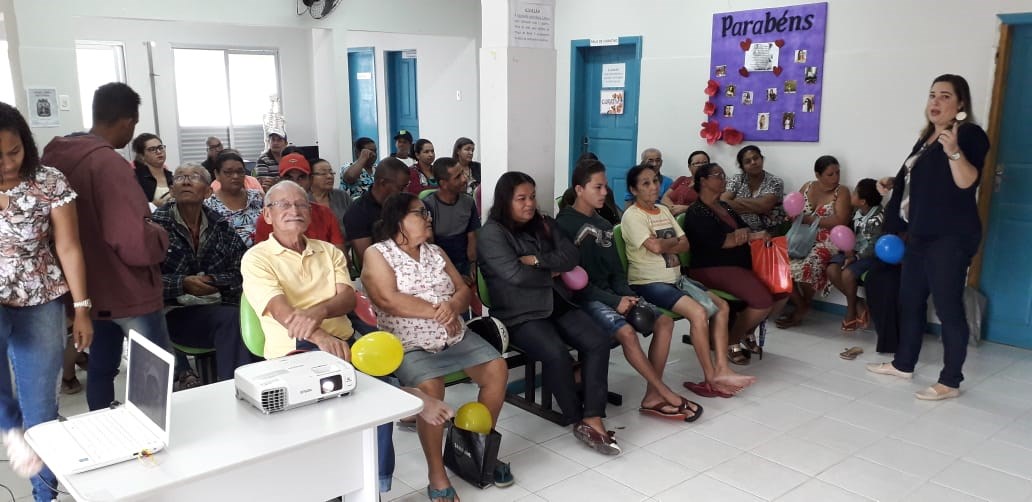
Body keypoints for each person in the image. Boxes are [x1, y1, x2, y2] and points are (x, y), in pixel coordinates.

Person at [363, 192, 512, 500]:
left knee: (497, 369)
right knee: (431, 387)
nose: (428, 218)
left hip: (453, 334)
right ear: (398, 221)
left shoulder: (436, 252)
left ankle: (474, 448)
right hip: (408, 342)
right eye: (420, 213)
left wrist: (451, 308)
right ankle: (437, 472)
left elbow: (462, 288)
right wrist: (437, 310)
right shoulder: (378, 253)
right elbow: (387, 299)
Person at [42, 82, 174, 412]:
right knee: (153, 370)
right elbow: (133, 242)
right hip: (127, 290)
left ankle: (103, 430)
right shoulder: (108, 165)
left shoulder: (54, 157)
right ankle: (153, 436)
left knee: (101, 368)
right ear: (128, 121)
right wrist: (158, 235)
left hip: (86, 291)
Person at [478, 172, 620, 454]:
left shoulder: (543, 223)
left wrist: (538, 260)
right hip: (518, 313)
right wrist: (552, 271)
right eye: (521, 199)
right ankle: (575, 417)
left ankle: (592, 416)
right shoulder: (491, 233)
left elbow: (571, 256)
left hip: (557, 301)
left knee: (598, 341)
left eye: (532, 197)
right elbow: (513, 275)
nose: (529, 204)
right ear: (506, 200)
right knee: (556, 355)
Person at [868, 74, 990, 401]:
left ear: (960, 104)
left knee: (948, 307)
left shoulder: (969, 135)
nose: (935, 102)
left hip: (950, 236)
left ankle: (950, 380)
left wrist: (953, 153)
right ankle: (903, 364)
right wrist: (893, 184)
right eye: (932, 95)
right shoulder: (927, 137)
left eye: (945, 96)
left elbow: (967, 182)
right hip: (919, 233)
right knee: (910, 300)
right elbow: (920, 180)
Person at [556, 160, 701, 422]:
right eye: (597, 187)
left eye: (605, 187)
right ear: (579, 189)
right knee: (626, 333)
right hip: (584, 300)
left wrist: (627, 296)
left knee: (664, 322)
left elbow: (615, 272)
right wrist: (614, 300)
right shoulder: (564, 224)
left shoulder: (603, 223)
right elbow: (572, 281)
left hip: (612, 294)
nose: (604, 192)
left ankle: (652, 397)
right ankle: (663, 391)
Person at [0, 102, 92, 502]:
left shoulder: (48, 181)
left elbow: (68, 246)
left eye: (14, 151)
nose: (6, 163)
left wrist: (82, 307)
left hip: (40, 297)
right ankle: (9, 428)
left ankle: (45, 495)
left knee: (42, 411)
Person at [622, 164, 756, 392]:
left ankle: (722, 368)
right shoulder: (632, 216)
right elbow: (654, 247)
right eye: (646, 183)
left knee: (722, 306)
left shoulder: (663, 211)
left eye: (655, 181)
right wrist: (667, 244)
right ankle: (711, 376)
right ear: (634, 190)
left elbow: (685, 243)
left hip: (677, 279)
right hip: (650, 283)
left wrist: (665, 243)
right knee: (699, 312)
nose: (653, 187)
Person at [153, 164, 252, 382]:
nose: (186, 181)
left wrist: (212, 281)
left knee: (253, 317)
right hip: (171, 314)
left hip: (216, 306)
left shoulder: (221, 226)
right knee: (232, 320)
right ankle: (234, 388)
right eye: (180, 178)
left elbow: (242, 270)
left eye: (195, 177)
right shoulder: (154, 226)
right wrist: (182, 283)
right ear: (171, 188)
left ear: (208, 191)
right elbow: (143, 281)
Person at [682, 163, 789, 362]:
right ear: (703, 181)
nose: (723, 178)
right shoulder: (697, 212)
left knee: (781, 292)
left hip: (740, 263)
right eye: (717, 175)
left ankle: (747, 330)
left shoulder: (725, 206)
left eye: (724, 174)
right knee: (762, 302)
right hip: (711, 267)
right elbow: (722, 242)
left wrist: (747, 235)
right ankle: (732, 340)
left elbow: (745, 231)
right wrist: (739, 236)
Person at [776, 155, 851, 329]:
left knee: (807, 266)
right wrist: (792, 215)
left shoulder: (842, 191)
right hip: (800, 237)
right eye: (830, 174)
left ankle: (802, 307)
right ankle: (801, 304)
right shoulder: (808, 186)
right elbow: (794, 209)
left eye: (838, 173)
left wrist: (811, 220)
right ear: (818, 175)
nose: (835, 177)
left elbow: (841, 219)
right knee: (778, 265)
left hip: (827, 239)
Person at [252, 153, 344, 251]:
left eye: (301, 177)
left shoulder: (325, 214)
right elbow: (262, 255)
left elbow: (340, 257)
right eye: (289, 177)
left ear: (310, 180)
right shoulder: (269, 217)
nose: (295, 182)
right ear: (279, 180)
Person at [827, 178, 883, 331]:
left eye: (855, 193)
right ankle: (858, 303)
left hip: (868, 256)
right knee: (832, 270)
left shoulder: (878, 219)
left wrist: (855, 257)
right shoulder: (856, 213)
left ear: (863, 201)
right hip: (851, 251)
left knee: (847, 274)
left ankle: (850, 311)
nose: (852, 194)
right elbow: (847, 235)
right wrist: (847, 251)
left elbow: (874, 246)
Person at [344, 157, 411, 272]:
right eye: (401, 187)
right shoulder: (357, 213)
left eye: (407, 186)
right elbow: (368, 262)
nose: (405, 192)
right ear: (383, 183)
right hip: (384, 272)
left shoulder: (405, 203)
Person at [423, 157, 479, 284]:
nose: (465, 179)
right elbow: (429, 247)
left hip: (464, 262)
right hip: (439, 267)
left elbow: (472, 236)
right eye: (457, 177)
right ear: (443, 183)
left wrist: (473, 265)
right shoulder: (428, 205)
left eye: (463, 174)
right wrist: (453, 276)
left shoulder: (468, 202)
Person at [205, 150, 264, 247]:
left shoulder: (258, 197)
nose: (235, 176)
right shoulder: (209, 206)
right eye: (228, 172)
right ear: (217, 174)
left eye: (240, 172)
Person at [721, 145, 786, 233]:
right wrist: (756, 206)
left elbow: (764, 205)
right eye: (748, 161)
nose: (753, 162)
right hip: (740, 232)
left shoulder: (775, 182)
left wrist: (736, 200)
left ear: (762, 159)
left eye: (756, 158)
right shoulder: (737, 179)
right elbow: (723, 202)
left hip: (770, 233)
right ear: (742, 166)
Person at [309, 158, 351, 239]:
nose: (329, 176)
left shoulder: (341, 196)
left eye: (331, 172)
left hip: (345, 247)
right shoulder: (304, 199)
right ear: (310, 177)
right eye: (323, 173)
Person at [662, 150, 710, 215]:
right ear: (689, 167)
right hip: (670, 216)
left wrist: (686, 209)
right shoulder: (682, 179)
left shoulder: (712, 184)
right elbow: (665, 197)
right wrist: (673, 209)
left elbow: (713, 208)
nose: (701, 166)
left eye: (704, 163)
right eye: (697, 163)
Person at [131, 132, 173, 207]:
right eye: (152, 149)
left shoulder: (170, 176)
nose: (159, 152)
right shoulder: (135, 177)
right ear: (141, 156)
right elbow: (132, 207)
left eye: (160, 147)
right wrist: (153, 205)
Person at [255, 127, 287, 192]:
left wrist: (276, 182)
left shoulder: (289, 158)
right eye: (273, 140)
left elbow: (293, 181)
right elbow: (264, 185)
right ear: (269, 142)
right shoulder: (263, 160)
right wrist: (283, 181)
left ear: (286, 143)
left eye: (279, 140)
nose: (275, 143)